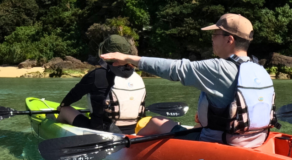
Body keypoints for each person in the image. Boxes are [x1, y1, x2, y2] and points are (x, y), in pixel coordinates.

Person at [100, 13, 274, 148]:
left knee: (156, 122)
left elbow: (175, 69)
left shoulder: (219, 68)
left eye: (215, 34)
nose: (212, 38)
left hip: (221, 144)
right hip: (253, 140)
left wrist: (128, 58)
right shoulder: (258, 68)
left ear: (230, 39)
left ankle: (127, 151)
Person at [57, 34, 147, 135]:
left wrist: (61, 106)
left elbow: (74, 95)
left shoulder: (97, 74)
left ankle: (55, 129)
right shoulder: (137, 76)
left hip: (101, 132)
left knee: (65, 109)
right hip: (133, 132)